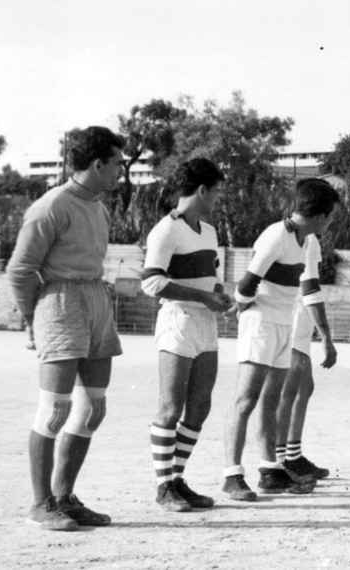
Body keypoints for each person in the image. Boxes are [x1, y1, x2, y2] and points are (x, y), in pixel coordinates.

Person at [7, 126, 125, 531]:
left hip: (95, 299)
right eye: (117, 164)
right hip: (58, 303)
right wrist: (32, 319)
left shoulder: (97, 206)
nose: (120, 172)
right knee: (55, 408)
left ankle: (64, 497)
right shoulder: (50, 206)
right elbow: (20, 270)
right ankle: (40, 504)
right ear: (97, 164)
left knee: (94, 406)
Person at [222, 178, 340, 500]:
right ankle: (232, 474)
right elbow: (246, 285)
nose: (330, 223)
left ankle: (268, 470)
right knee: (246, 399)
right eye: (330, 217)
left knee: (271, 400)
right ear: (319, 215)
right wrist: (240, 309)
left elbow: (308, 287)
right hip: (260, 324)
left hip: (283, 324)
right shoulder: (276, 235)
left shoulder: (308, 241)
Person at [141, 158, 231, 512]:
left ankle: (177, 478)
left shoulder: (208, 231)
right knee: (170, 406)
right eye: (217, 191)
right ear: (202, 190)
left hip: (205, 324)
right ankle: (163, 486)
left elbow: (211, 274)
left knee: (200, 404)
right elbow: (152, 282)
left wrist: (218, 293)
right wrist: (203, 297)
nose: (218, 198)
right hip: (177, 322)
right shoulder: (165, 230)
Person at [274, 179, 341, 485]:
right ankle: (279, 461)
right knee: (289, 393)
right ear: (321, 214)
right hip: (290, 323)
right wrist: (326, 336)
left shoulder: (303, 238)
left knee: (303, 388)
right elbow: (310, 288)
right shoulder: (305, 239)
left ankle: (292, 455)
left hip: (296, 325)